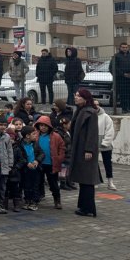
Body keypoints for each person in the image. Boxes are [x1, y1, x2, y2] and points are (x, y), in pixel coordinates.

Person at [70, 88, 100, 218]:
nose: (76, 98)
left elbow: (92, 133)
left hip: (86, 150)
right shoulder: (79, 111)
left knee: (87, 179)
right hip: (78, 148)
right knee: (82, 179)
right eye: (75, 95)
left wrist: (89, 149)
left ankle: (88, 208)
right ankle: (83, 206)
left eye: (78, 96)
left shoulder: (90, 112)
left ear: (85, 98)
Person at [33, 116, 65, 210]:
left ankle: (57, 199)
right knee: (38, 182)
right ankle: (37, 198)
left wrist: (59, 158)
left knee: (53, 183)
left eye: (45, 125)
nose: (43, 127)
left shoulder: (56, 136)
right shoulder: (35, 135)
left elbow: (62, 147)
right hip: (38, 163)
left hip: (51, 164)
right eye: (41, 125)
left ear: (49, 126)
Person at [19, 126, 45, 210]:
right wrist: (26, 163)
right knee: (26, 186)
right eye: (33, 134)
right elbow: (20, 156)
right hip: (25, 169)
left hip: (36, 169)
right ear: (27, 136)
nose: (36, 135)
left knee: (35, 186)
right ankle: (27, 200)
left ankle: (34, 202)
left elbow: (42, 154)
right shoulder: (20, 145)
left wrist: (37, 161)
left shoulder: (35, 144)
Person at [94, 100, 117, 191]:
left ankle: (110, 182)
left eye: (97, 104)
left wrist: (105, 142)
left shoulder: (106, 117)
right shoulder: (90, 116)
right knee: (94, 163)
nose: (96, 106)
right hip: (94, 143)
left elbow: (110, 131)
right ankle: (96, 181)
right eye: (94, 104)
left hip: (105, 144)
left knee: (107, 163)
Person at [109, 42, 130, 114]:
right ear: (120, 48)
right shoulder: (116, 56)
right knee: (123, 95)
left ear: (128, 48)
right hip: (120, 79)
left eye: (126, 47)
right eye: (123, 47)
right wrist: (122, 74)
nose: (125, 49)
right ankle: (124, 109)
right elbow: (112, 68)